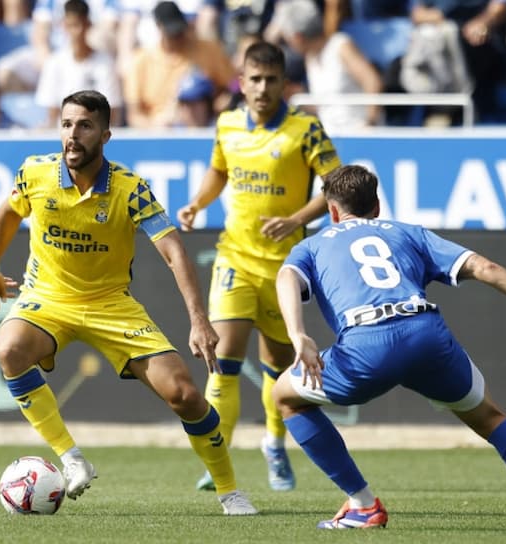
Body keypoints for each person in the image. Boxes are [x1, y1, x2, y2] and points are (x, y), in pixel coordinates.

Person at [271, 164, 506, 530]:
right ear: (378, 206)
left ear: (332, 211)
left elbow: (287, 276)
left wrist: (298, 334)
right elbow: (487, 267)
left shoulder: (312, 245)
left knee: (286, 397)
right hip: (425, 335)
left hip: (366, 345)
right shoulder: (408, 232)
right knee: (492, 419)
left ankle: (363, 505)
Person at [0, 90, 257, 516]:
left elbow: (173, 251)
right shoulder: (35, 173)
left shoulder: (130, 188)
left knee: (184, 394)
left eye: (84, 126)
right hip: (48, 299)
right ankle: (72, 459)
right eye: (66, 124)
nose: (72, 135)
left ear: (106, 134)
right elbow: (8, 213)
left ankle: (230, 492)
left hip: (111, 305)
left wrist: (199, 321)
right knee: (9, 348)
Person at [176, 41, 342, 492]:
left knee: (278, 365)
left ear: (283, 83)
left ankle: (273, 442)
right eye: (255, 79)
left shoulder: (306, 129)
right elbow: (219, 171)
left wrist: (294, 219)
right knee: (222, 360)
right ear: (242, 82)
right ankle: (218, 454)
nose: (263, 87)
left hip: (285, 267)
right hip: (235, 257)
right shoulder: (227, 124)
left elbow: (336, 186)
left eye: (271, 79)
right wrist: (196, 203)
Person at [275, 0, 384, 132]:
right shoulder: (310, 59)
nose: (289, 45)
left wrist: (370, 123)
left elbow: (372, 81)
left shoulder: (341, 46)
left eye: (288, 40)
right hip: (331, 140)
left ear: (298, 38)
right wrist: (298, 98)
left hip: (361, 136)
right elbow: (326, 107)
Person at [122, 1, 234, 128]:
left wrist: (218, 105)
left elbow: (234, 85)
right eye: (172, 34)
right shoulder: (141, 61)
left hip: (206, 125)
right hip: (160, 133)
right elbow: (133, 115)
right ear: (159, 27)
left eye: (180, 31)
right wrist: (155, 126)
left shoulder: (208, 50)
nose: (178, 37)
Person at [34, 0, 123, 127]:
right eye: (73, 25)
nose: (78, 31)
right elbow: (52, 115)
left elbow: (112, 114)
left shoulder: (105, 63)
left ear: (89, 24)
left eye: (82, 24)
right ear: (64, 26)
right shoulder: (54, 63)